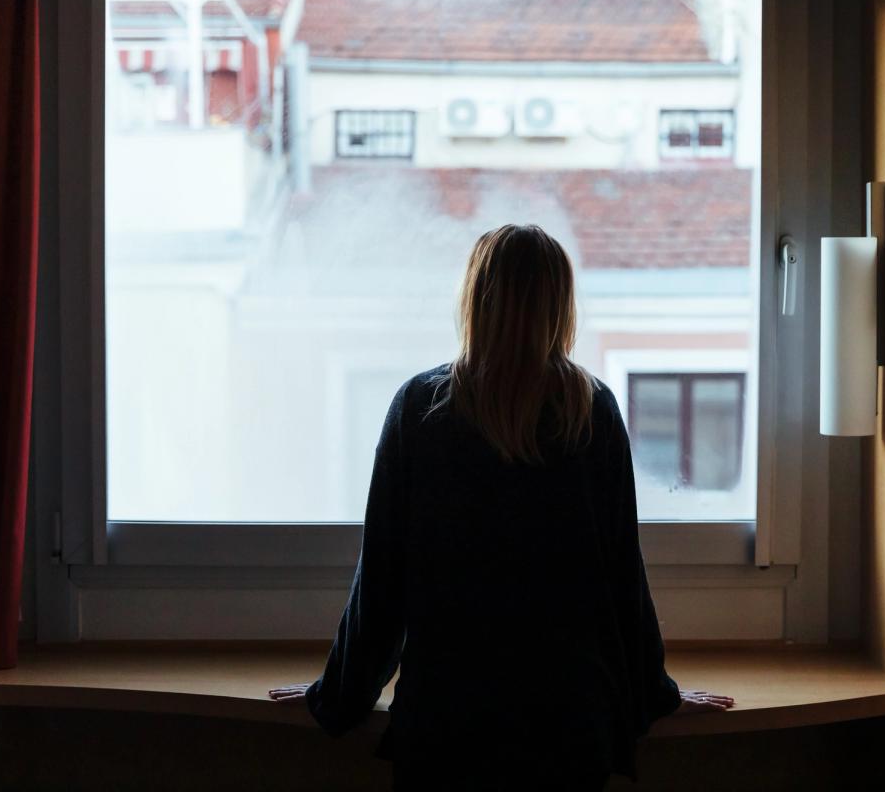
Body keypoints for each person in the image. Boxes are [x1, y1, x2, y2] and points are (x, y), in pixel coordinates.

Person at [270, 224, 733, 790]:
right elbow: (619, 577)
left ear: (474, 300)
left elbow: (383, 581)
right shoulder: (592, 412)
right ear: (560, 308)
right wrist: (656, 694)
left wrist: (338, 695)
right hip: (567, 723)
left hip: (449, 722)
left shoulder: (421, 408)